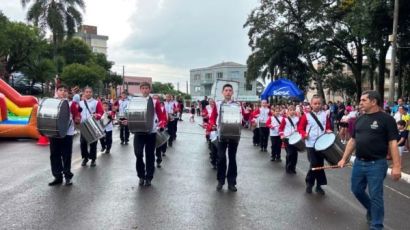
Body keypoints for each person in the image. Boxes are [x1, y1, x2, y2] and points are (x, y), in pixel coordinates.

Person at [338, 90, 401, 230]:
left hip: (377, 164)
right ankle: (372, 210)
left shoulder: (387, 119)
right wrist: (344, 158)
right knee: (356, 189)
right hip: (359, 162)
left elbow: (393, 143)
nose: (360, 103)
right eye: (360, 100)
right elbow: (352, 140)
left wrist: (397, 166)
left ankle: (377, 225)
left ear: (374, 102)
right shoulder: (360, 118)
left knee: (376, 195)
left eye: (363, 100)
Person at [127, 82, 167, 186]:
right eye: (143, 88)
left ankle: (149, 177)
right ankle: (141, 175)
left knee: (150, 155)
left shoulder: (154, 101)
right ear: (140, 90)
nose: (145, 90)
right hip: (139, 132)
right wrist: (127, 121)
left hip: (151, 132)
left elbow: (161, 115)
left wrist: (162, 123)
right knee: (138, 154)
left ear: (150, 90)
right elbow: (130, 114)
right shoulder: (134, 100)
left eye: (147, 88)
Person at [298, 95, 332, 195]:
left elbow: (328, 126)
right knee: (314, 163)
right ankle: (309, 183)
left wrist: (328, 130)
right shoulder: (306, 115)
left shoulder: (325, 114)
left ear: (322, 104)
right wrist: (304, 134)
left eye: (319, 103)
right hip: (310, 144)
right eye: (315, 103)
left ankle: (319, 186)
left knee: (320, 165)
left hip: (322, 144)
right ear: (311, 104)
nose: (317, 105)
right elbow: (300, 128)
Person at [209, 84, 241, 192]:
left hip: (234, 135)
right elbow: (213, 117)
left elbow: (243, 117)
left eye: (230, 90)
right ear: (222, 92)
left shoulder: (238, 104)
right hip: (221, 134)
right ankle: (220, 181)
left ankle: (232, 183)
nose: (228, 92)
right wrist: (212, 124)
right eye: (226, 90)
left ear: (232, 93)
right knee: (221, 158)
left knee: (232, 158)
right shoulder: (218, 104)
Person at [48, 84, 81, 186]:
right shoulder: (52, 103)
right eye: (60, 90)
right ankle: (57, 176)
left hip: (67, 133)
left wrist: (77, 119)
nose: (62, 92)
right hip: (54, 133)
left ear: (68, 93)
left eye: (64, 90)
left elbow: (77, 116)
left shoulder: (72, 104)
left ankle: (67, 176)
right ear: (57, 92)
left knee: (66, 155)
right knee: (54, 155)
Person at [79, 86, 104, 167]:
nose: (88, 93)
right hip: (83, 125)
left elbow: (101, 112)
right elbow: (77, 113)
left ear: (92, 93)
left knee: (93, 143)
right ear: (84, 93)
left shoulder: (96, 102)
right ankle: (85, 158)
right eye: (86, 92)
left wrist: (97, 115)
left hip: (92, 124)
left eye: (90, 92)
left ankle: (93, 159)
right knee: (83, 143)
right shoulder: (80, 103)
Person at [279, 105, 299, 174]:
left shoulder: (297, 119)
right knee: (290, 153)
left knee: (295, 154)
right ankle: (288, 167)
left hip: (295, 138)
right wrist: (282, 135)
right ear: (288, 111)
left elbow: (300, 127)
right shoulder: (285, 119)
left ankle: (293, 168)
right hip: (287, 138)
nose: (292, 111)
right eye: (290, 110)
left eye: (293, 110)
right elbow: (281, 128)